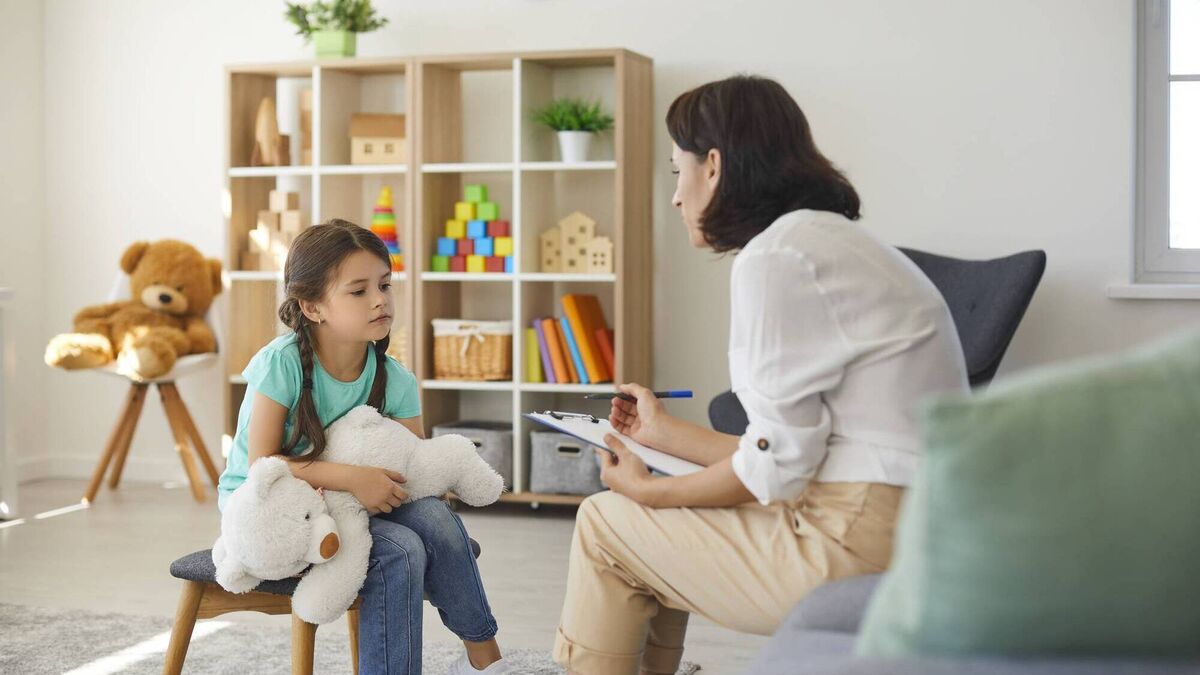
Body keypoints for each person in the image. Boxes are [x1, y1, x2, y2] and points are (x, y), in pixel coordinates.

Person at [553, 75, 970, 675]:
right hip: (911, 528)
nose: (675, 198)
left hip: (853, 542)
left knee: (605, 523)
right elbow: (794, 453)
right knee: (642, 523)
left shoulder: (776, 258)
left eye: (677, 170)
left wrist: (650, 491)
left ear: (714, 166)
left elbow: (774, 471)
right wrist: (663, 435)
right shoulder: (832, 242)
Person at [217, 220, 508, 675]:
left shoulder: (395, 378)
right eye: (359, 291)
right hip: (272, 505)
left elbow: (414, 468)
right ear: (312, 306)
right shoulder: (281, 364)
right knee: (402, 550)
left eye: (385, 285)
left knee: (434, 517)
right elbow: (263, 465)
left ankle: (484, 654)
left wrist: (383, 487)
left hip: (350, 502)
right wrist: (352, 478)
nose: (380, 300)